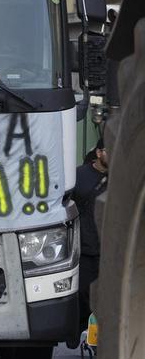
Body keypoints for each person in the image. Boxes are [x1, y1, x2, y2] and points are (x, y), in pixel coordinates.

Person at [74, 141, 108, 339]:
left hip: (109, 248)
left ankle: (99, 336)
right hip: (85, 247)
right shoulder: (80, 175)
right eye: (108, 150)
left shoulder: (119, 178)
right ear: (98, 153)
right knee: (82, 293)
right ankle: (80, 329)